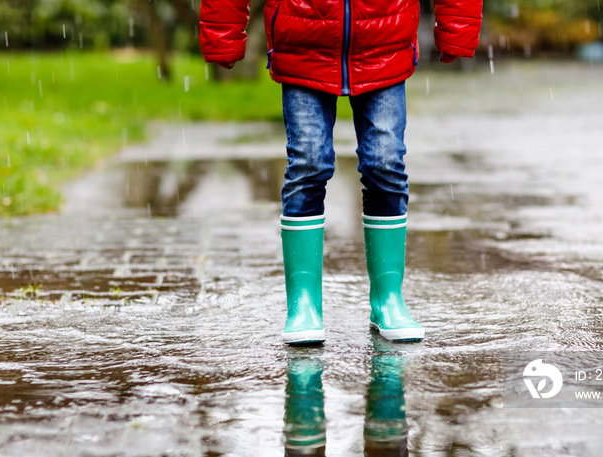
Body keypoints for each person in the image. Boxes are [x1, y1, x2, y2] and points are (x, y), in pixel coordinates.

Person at [199, 0, 483, 345]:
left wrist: (458, 28)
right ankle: (303, 305)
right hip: (303, 40)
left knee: (386, 164)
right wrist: (222, 34)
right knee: (308, 164)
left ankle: (388, 299)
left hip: (384, 39)